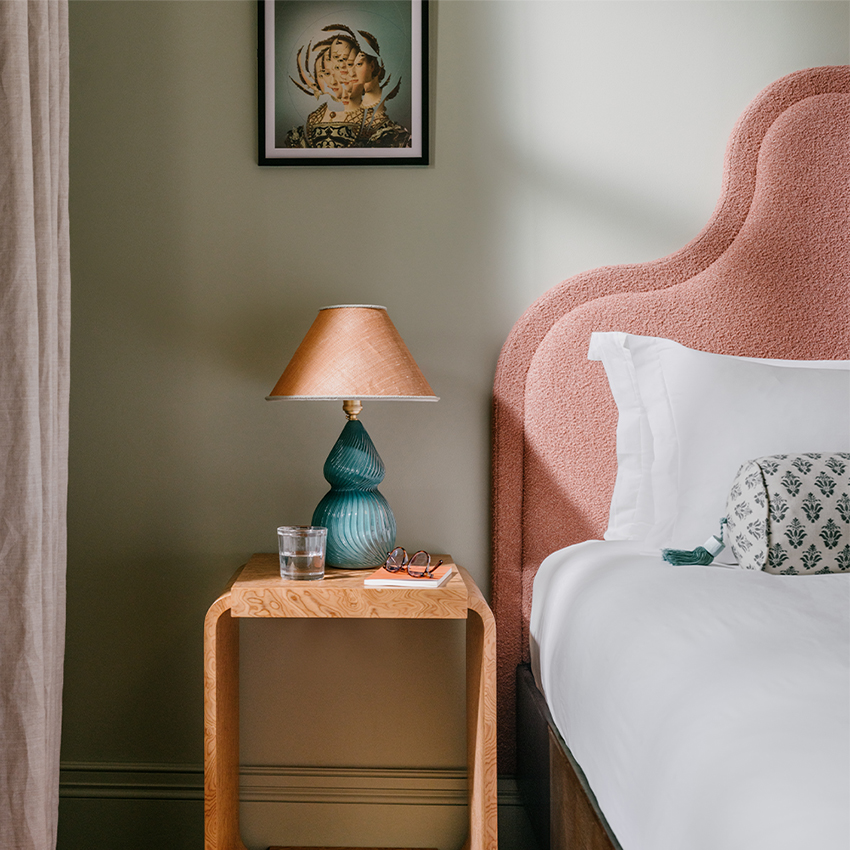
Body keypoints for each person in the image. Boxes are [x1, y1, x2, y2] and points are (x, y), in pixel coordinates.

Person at [283, 26, 411, 149]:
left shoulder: (376, 123)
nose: (342, 75)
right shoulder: (313, 119)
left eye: (350, 64)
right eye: (334, 67)